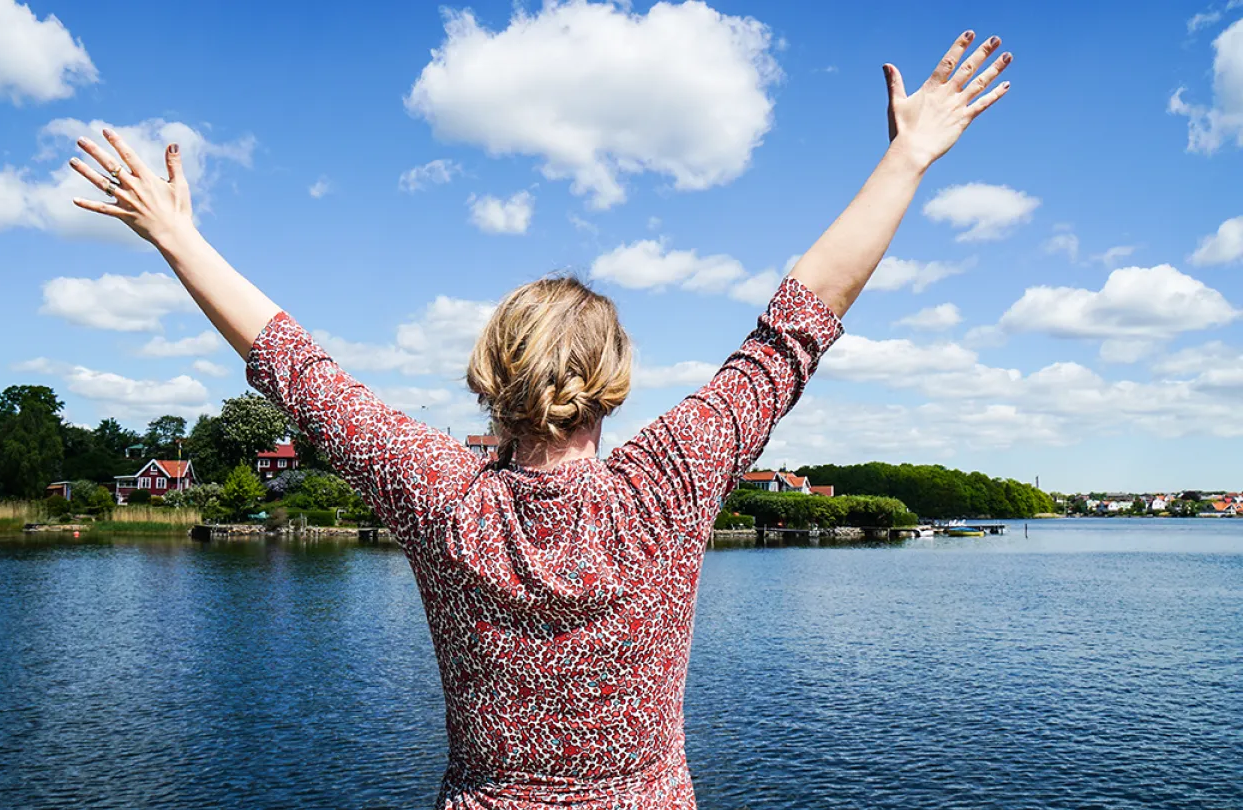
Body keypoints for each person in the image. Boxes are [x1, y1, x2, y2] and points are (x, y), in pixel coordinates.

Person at [70, 31, 1011, 810]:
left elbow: (299, 371)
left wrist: (177, 236)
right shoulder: (667, 490)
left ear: (490, 378)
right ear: (614, 383)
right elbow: (797, 324)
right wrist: (909, 155)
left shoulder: (443, 496)